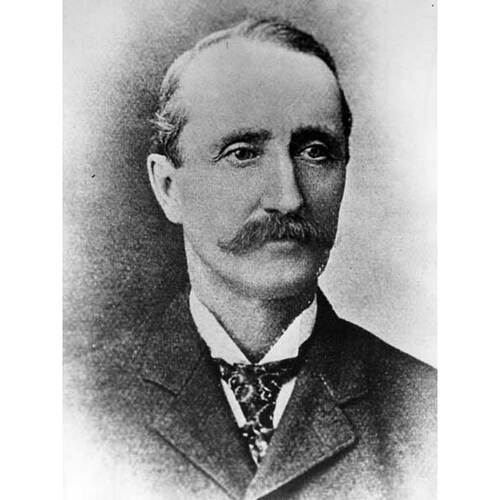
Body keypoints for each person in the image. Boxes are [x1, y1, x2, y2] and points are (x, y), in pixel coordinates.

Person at [69, 18, 436, 500]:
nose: (288, 198)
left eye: (315, 151)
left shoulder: (433, 412)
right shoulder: (71, 408)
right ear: (168, 187)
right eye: (242, 154)